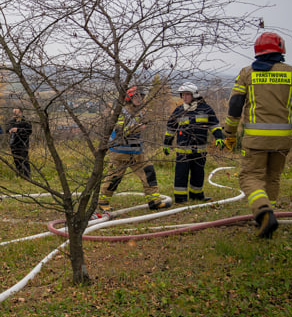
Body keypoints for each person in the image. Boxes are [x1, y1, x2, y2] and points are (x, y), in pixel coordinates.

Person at [223, 32, 292, 238]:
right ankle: (268, 218)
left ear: (257, 50)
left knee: (250, 176)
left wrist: (229, 133)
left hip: (255, 139)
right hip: (283, 139)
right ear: (281, 49)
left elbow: (235, 106)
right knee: (272, 177)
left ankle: (263, 212)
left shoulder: (247, 73)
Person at [97, 86, 171, 217]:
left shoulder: (139, 112)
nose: (139, 99)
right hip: (120, 152)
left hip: (136, 152)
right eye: (136, 96)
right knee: (114, 177)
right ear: (129, 98)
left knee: (149, 172)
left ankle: (154, 201)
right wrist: (137, 127)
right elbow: (120, 131)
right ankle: (103, 202)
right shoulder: (120, 112)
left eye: (141, 96)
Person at [163, 82, 226, 204]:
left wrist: (219, 137)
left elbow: (214, 125)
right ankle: (180, 199)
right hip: (183, 152)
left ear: (194, 95)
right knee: (181, 175)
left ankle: (196, 196)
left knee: (198, 174)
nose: (184, 97)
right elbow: (170, 129)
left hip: (200, 151)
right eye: (183, 95)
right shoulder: (179, 111)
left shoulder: (206, 109)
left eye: (187, 94)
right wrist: (167, 143)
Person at [6, 107, 32, 179]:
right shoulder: (12, 121)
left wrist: (18, 130)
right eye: (13, 112)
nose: (14, 113)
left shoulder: (25, 121)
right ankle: (20, 175)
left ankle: (27, 176)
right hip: (13, 143)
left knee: (24, 160)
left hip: (23, 144)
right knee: (16, 161)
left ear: (20, 112)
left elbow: (29, 131)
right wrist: (10, 130)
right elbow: (6, 129)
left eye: (16, 112)